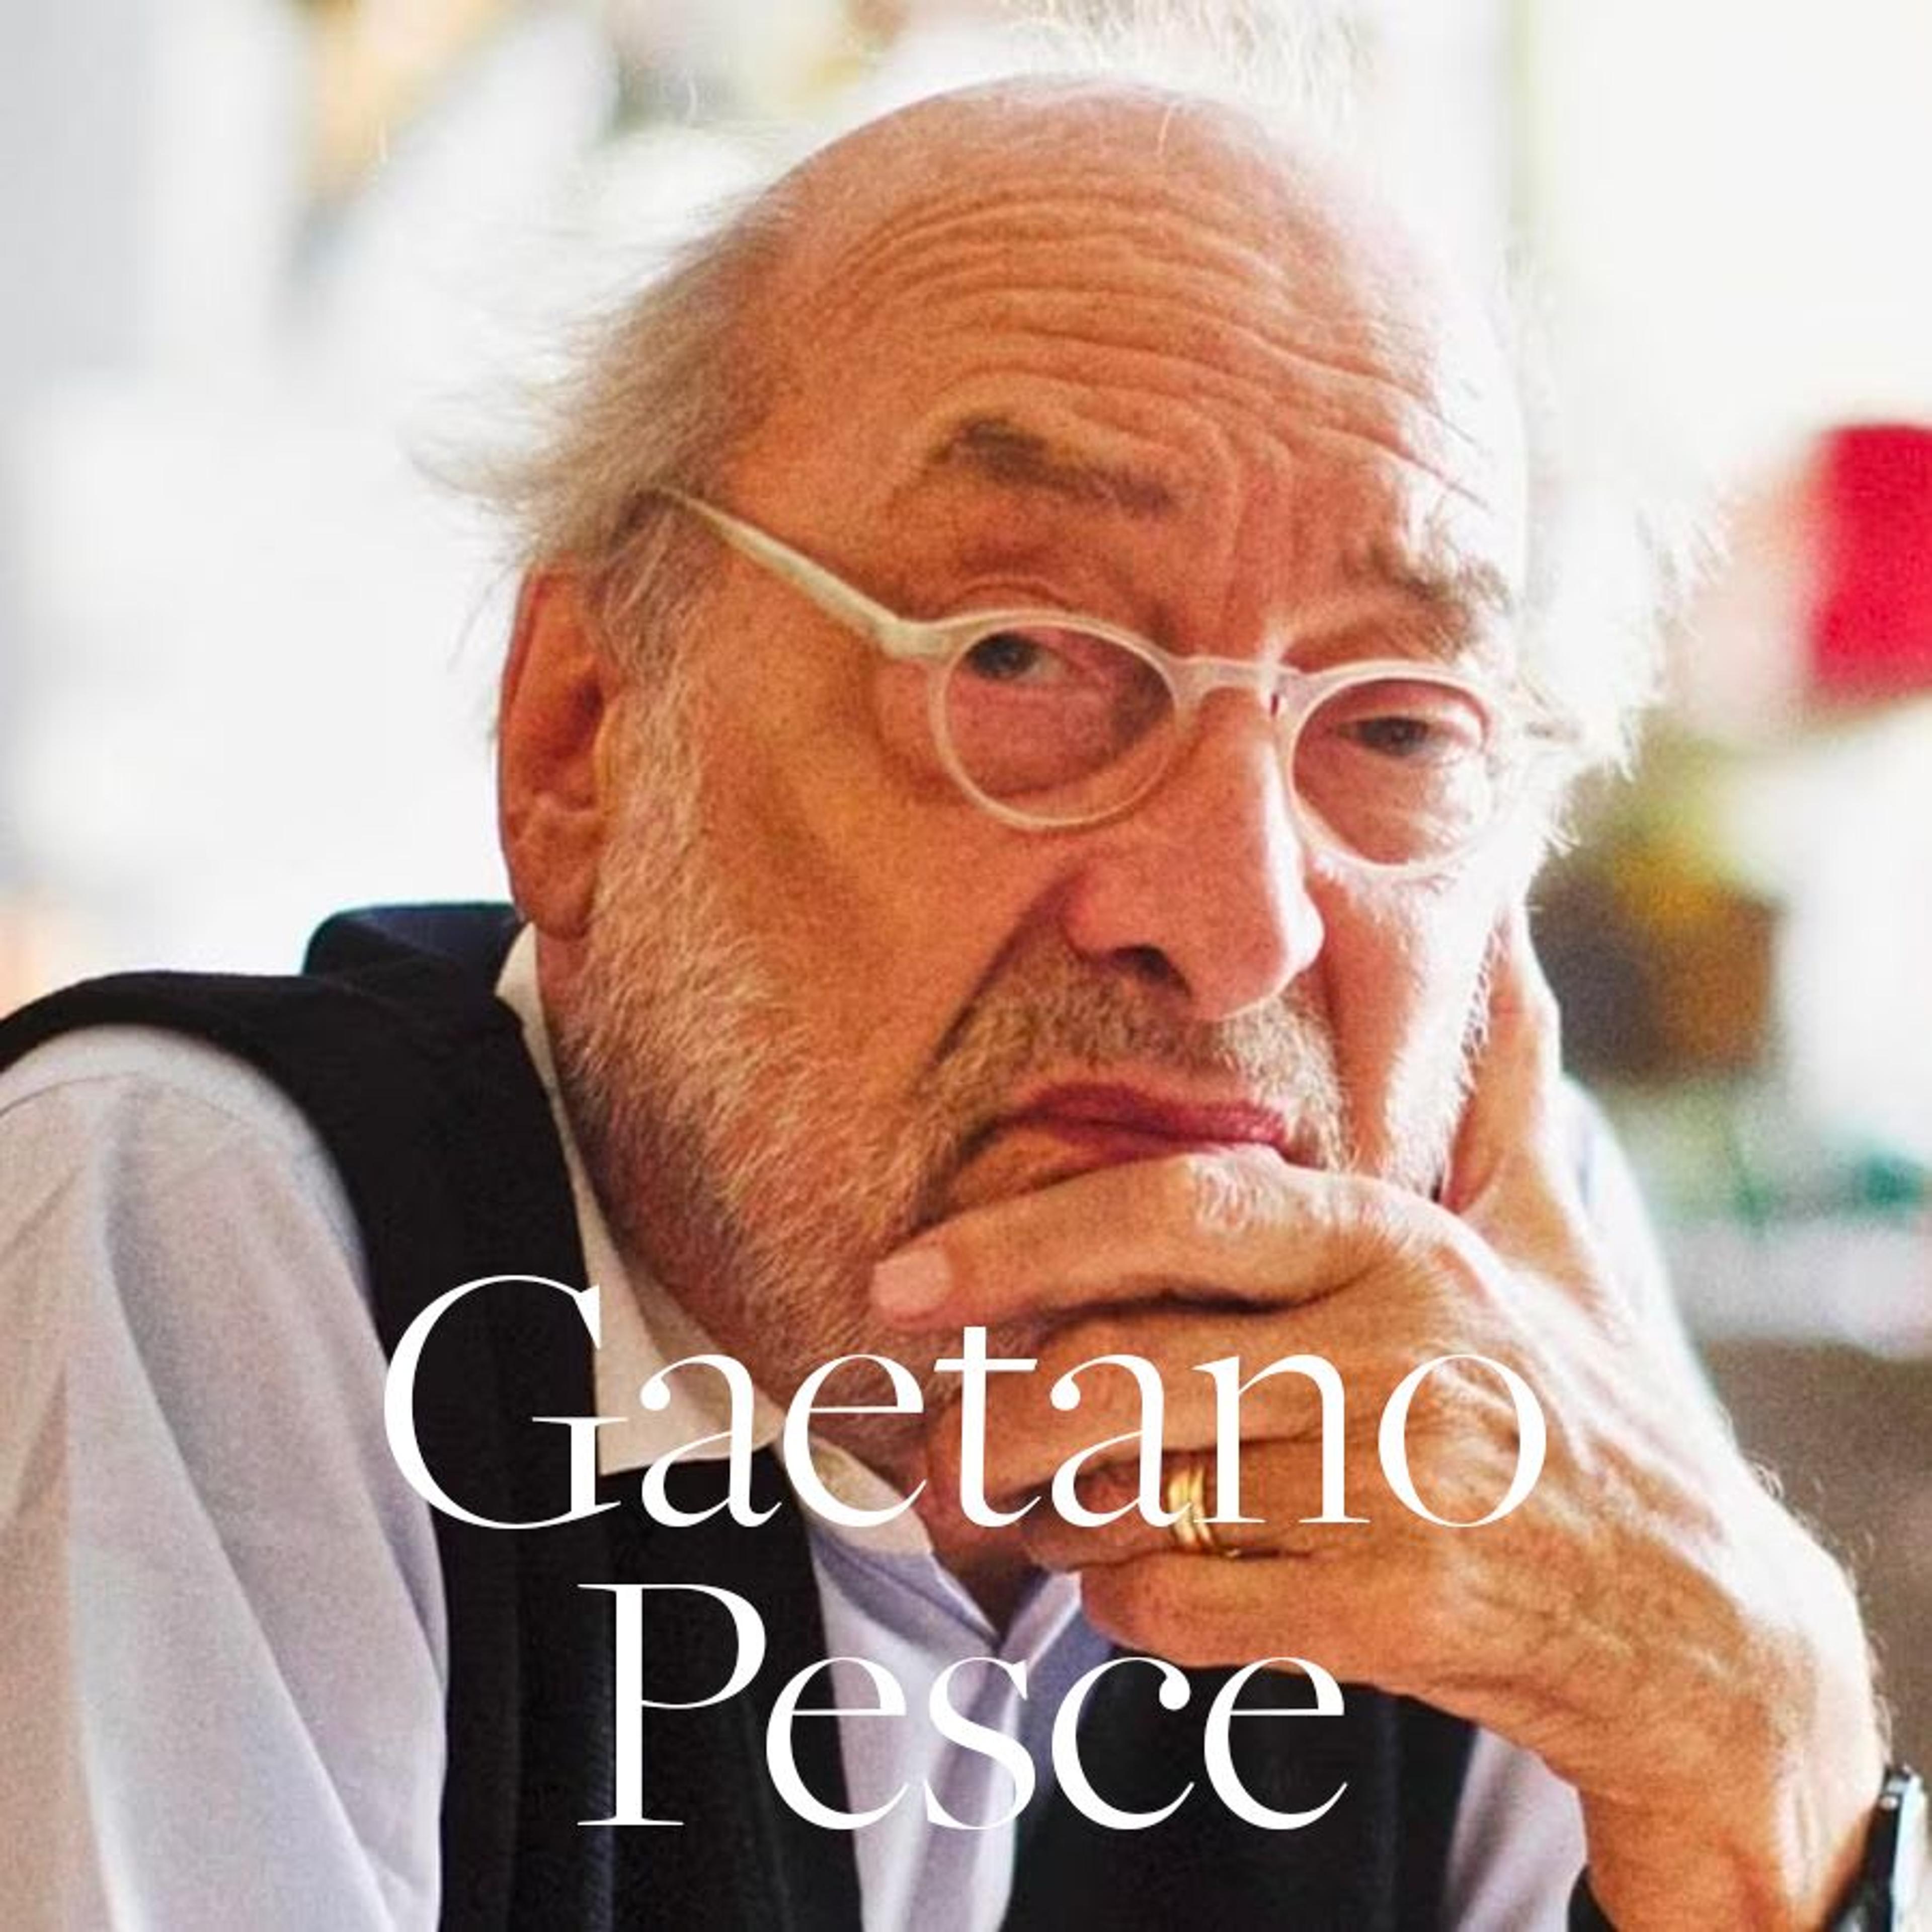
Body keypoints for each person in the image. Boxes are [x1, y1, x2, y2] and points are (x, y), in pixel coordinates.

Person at [1, 51, 1915, 1932]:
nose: (1236, 926)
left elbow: (1738, 1778)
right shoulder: (223, 1233)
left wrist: (1758, 1752)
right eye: (1020, 656)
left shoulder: (1492, 1302)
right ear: (584, 739)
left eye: (1398, 727)